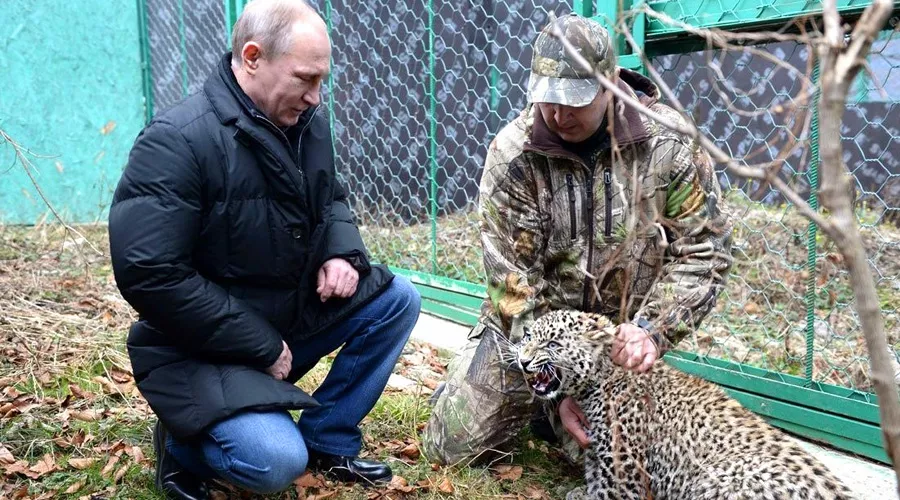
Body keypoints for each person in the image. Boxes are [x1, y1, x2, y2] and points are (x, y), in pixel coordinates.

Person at [108, 1, 421, 498]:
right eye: (305, 78)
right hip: (202, 350)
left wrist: (340, 251)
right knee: (275, 463)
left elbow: (330, 198)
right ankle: (181, 442)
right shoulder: (176, 141)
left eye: (322, 80)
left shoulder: (305, 123)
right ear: (253, 57)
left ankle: (328, 438)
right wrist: (261, 345)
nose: (316, 97)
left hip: (283, 320)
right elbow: (151, 273)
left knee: (398, 299)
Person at [422, 13, 733, 466]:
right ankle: (503, 395)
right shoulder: (513, 155)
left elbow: (706, 250)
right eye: (548, 99)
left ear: (609, 84)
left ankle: (552, 419)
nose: (558, 115)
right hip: (530, 338)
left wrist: (652, 331)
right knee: (451, 449)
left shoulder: (668, 144)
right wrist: (553, 386)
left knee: (634, 467)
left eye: (574, 101)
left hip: (614, 348)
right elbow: (510, 284)